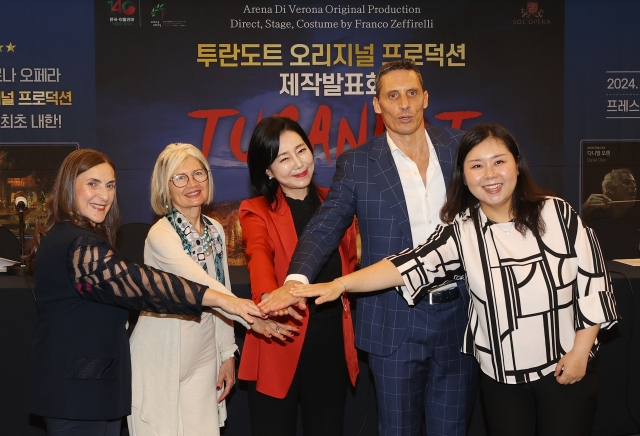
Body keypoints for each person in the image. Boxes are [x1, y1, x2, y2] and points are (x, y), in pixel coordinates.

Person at [291, 123, 619, 436]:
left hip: (563, 367)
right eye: (477, 166)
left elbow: (593, 283)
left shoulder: (557, 214)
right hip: (501, 378)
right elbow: (406, 265)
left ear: (517, 165)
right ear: (464, 176)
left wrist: (580, 352)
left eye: (499, 162)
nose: (489, 174)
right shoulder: (462, 230)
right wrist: (340, 284)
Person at [260, 59, 477, 436]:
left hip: (459, 318)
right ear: (377, 105)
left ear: (426, 98)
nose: (404, 104)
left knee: (452, 429)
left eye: (412, 94)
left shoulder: (460, 148)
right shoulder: (358, 163)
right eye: (393, 96)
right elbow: (326, 226)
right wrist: (296, 281)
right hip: (393, 321)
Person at [25, 149, 291, 436]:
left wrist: (227, 347)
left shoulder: (79, 237)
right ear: (68, 186)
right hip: (79, 393)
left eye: (110, 185)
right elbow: (148, 285)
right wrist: (239, 308)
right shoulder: (79, 244)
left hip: (94, 389)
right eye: (93, 184)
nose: (104, 194)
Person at [127, 143, 295, 436]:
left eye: (198, 174)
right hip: (160, 354)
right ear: (165, 188)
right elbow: (203, 287)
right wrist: (252, 317)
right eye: (180, 178)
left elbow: (222, 288)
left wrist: (227, 353)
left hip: (203, 353)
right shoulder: (160, 234)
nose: (192, 184)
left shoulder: (215, 229)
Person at [237, 117, 359, 436]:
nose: (298, 163)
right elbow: (259, 255)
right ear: (268, 170)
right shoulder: (256, 210)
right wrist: (267, 297)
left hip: (330, 343)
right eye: (283, 158)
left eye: (301, 150)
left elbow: (353, 263)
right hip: (279, 338)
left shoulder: (339, 203)